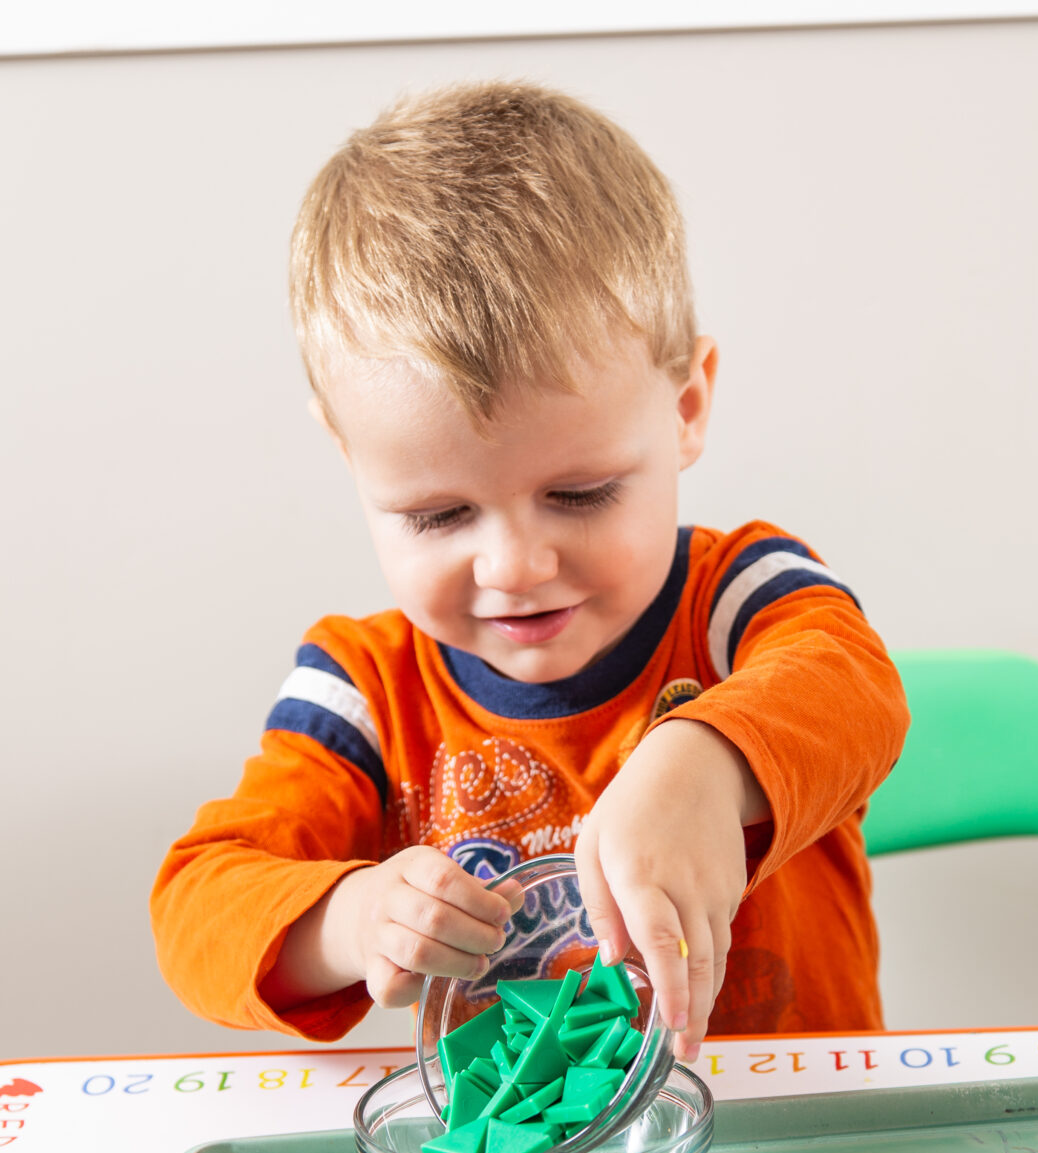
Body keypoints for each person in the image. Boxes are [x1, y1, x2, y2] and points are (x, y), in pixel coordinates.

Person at [150, 80, 909, 1064]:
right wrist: (350, 917)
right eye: (438, 514)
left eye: (582, 493)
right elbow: (195, 908)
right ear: (352, 460)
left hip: (798, 1140)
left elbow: (857, 694)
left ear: (685, 410)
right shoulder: (363, 692)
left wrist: (708, 766)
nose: (514, 566)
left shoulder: (740, 600)